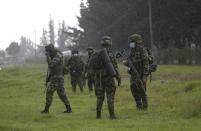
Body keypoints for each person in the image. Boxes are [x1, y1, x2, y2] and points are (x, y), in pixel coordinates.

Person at [93, 36, 120, 119]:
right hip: (109, 78)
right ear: (110, 43)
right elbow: (115, 67)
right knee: (110, 96)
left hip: (99, 78)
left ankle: (98, 115)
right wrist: (118, 77)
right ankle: (112, 115)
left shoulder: (96, 54)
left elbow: (92, 66)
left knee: (100, 97)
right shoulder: (111, 54)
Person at [41, 44, 72, 113]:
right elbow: (52, 68)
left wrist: (48, 57)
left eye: (48, 51)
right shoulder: (55, 55)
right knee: (61, 93)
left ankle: (46, 110)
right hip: (57, 77)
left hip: (57, 77)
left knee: (49, 92)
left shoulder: (58, 56)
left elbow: (51, 64)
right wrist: (48, 78)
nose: (47, 53)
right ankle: (69, 108)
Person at [123, 34, 149, 110]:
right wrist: (126, 63)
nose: (131, 44)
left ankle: (145, 106)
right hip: (133, 74)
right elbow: (131, 62)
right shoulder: (132, 51)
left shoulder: (142, 50)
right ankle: (138, 105)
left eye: (132, 42)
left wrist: (144, 76)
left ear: (136, 42)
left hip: (140, 74)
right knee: (133, 89)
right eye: (131, 42)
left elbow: (146, 63)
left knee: (142, 90)